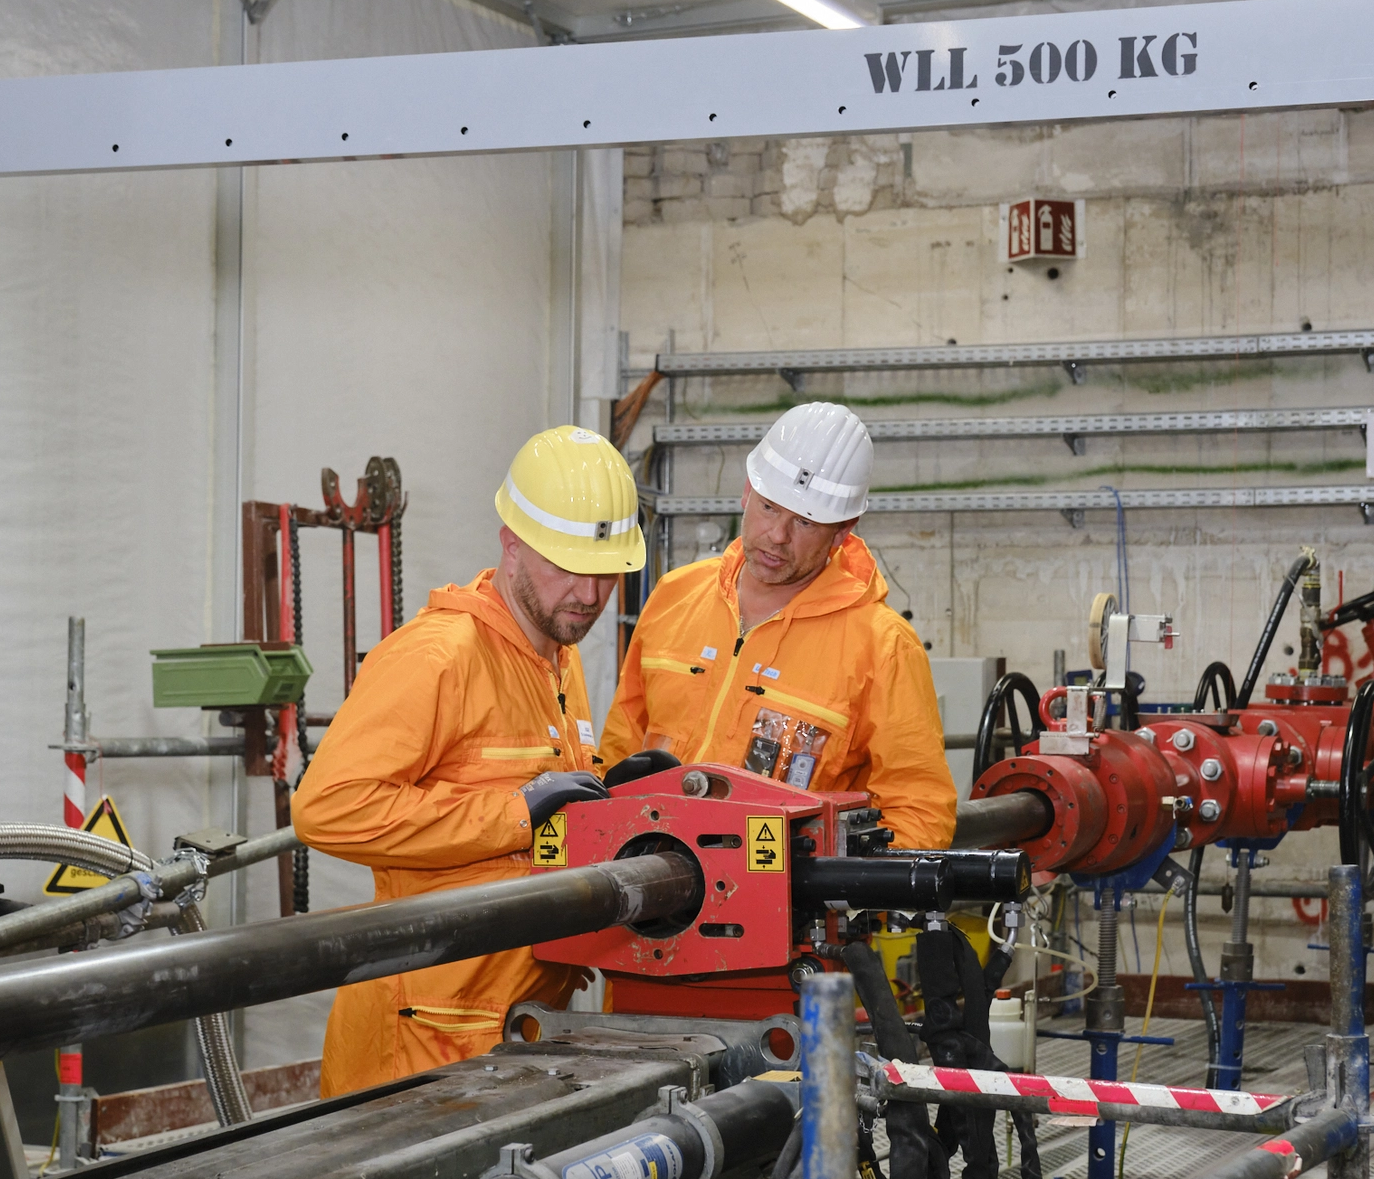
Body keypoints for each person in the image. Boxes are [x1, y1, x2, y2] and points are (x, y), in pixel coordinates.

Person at [293, 425, 644, 1097]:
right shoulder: (437, 658)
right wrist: (515, 814)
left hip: (519, 1032)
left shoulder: (558, 660)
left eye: (607, 572)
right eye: (567, 566)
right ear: (512, 545)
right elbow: (327, 809)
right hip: (420, 1045)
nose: (590, 593)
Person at [602, 402, 957, 850]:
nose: (778, 536)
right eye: (769, 508)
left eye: (805, 521)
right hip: (649, 873)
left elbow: (919, 810)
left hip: (787, 891)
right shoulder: (676, 596)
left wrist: (844, 886)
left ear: (842, 530)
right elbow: (619, 751)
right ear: (747, 491)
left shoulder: (882, 647)